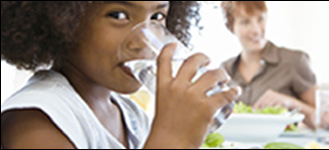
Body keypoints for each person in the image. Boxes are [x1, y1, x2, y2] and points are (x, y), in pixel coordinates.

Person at [1, 1, 241, 149]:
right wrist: (173, 137)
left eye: (157, 17)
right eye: (118, 15)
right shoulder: (36, 118)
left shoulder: (131, 115)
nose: (142, 42)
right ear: (62, 19)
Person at [220, 1, 317, 128]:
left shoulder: (293, 61)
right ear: (231, 27)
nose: (256, 30)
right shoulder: (225, 70)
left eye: (260, 19)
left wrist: (289, 102)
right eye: (245, 22)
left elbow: (327, 120)